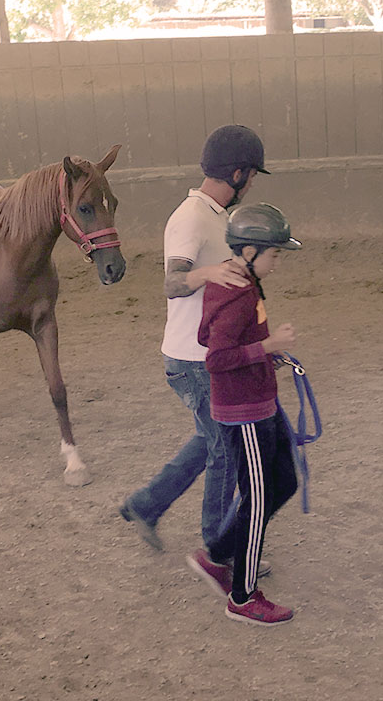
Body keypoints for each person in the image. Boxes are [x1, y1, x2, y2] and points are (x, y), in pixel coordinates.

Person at [119, 124, 270, 553]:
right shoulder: (190, 218)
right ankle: (219, 546)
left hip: (207, 352)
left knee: (211, 440)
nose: (252, 182)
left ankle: (146, 505)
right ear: (238, 173)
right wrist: (208, 273)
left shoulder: (217, 217)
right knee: (226, 450)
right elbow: (171, 282)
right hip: (193, 359)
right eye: (252, 174)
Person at [190, 202, 301, 626]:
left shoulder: (245, 284)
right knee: (257, 499)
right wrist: (266, 348)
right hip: (243, 414)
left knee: (284, 482)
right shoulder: (236, 294)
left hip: (260, 401)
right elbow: (215, 358)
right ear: (250, 251)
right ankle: (242, 595)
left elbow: (224, 338)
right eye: (274, 254)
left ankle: (219, 555)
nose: (277, 263)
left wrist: (263, 355)